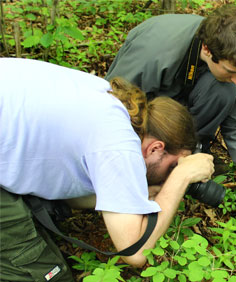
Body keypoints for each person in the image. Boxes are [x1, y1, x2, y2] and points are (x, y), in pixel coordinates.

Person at [0, 58, 215, 280]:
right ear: (156, 148)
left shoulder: (109, 103)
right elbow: (135, 252)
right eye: (172, 166)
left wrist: (136, 196)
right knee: (51, 276)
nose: (168, 175)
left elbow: (73, 195)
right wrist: (180, 177)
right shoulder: (117, 145)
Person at [105, 5, 236, 204]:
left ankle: (187, 153)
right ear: (207, 49)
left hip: (183, 99)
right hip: (149, 105)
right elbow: (112, 108)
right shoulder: (154, 51)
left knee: (225, 90)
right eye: (230, 71)